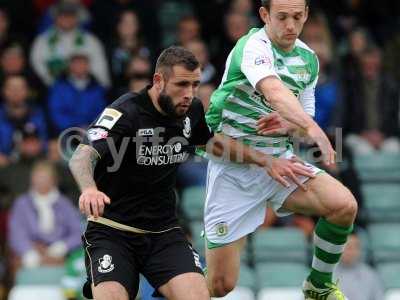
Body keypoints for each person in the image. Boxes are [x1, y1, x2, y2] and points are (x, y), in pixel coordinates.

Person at [69, 46, 314, 300]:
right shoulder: (126, 111)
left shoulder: (191, 111)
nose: (189, 94)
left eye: (195, 85)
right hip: (112, 231)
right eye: (182, 85)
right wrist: (89, 189)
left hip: (162, 233)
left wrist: (267, 161)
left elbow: (211, 143)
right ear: (158, 81)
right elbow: (82, 156)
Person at [204, 0, 358, 299]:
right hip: (234, 165)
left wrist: (293, 126)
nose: (290, 25)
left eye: (297, 17)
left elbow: (302, 120)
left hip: (280, 164)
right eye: (282, 17)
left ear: (306, 15)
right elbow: (274, 91)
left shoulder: (308, 59)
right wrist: (312, 129)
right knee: (221, 286)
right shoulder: (252, 46)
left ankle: (318, 285)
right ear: (264, 15)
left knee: (343, 206)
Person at [8, 160, 82, 276]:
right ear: (32, 179)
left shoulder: (64, 203)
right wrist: (28, 251)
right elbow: (16, 233)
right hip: (29, 254)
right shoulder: (22, 203)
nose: (41, 181)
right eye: (37, 177)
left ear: (54, 180)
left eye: (45, 178)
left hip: (59, 256)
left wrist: (62, 246)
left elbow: (78, 231)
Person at [334, 233, 385, 300]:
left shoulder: (370, 275)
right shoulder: (327, 273)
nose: (350, 251)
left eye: (355, 247)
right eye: (347, 247)